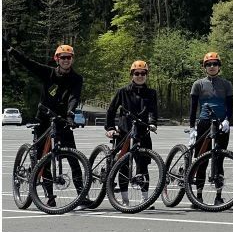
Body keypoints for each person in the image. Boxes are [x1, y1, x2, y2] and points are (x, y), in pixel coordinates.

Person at [6, 43, 85, 207]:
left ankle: (81, 195)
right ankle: (50, 196)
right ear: (57, 59)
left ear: (72, 59)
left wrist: (70, 113)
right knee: (44, 157)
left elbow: (74, 97)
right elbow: (29, 63)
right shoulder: (48, 73)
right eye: (63, 57)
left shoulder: (76, 78)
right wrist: (13, 51)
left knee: (73, 157)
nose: (66, 60)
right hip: (44, 118)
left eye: (69, 57)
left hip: (63, 119)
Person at [104, 60, 159, 207]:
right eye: (137, 73)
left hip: (143, 131)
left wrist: (153, 123)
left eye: (143, 73)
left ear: (146, 75)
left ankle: (145, 199)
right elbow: (111, 110)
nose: (140, 76)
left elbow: (153, 111)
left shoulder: (151, 93)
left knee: (143, 165)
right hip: (124, 131)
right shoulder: (123, 92)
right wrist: (109, 128)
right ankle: (124, 200)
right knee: (123, 166)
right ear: (132, 75)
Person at [188, 51, 233, 206]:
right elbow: (193, 107)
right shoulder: (198, 84)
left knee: (219, 158)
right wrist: (192, 127)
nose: (212, 67)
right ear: (204, 67)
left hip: (221, 123)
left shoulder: (226, 84)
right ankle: (198, 195)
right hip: (204, 122)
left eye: (215, 64)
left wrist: (228, 120)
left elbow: (230, 106)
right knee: (201, 159)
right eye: (208, 64)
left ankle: (218, 196)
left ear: (219, 66)